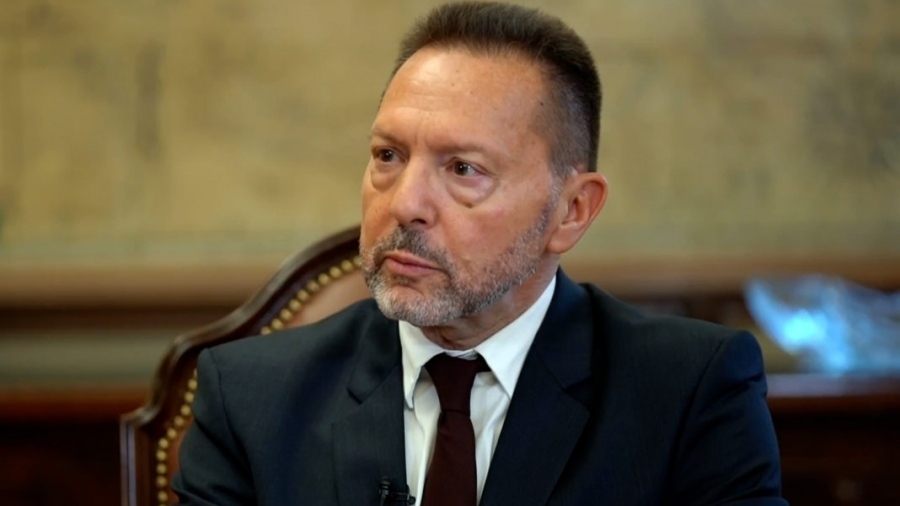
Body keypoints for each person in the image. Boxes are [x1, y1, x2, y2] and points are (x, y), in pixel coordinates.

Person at [173, 2, 786, 505]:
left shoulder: (687, 392)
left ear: (571, 211)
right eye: (388, 156)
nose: (405, 203)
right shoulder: (252, 398)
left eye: (463, 168)